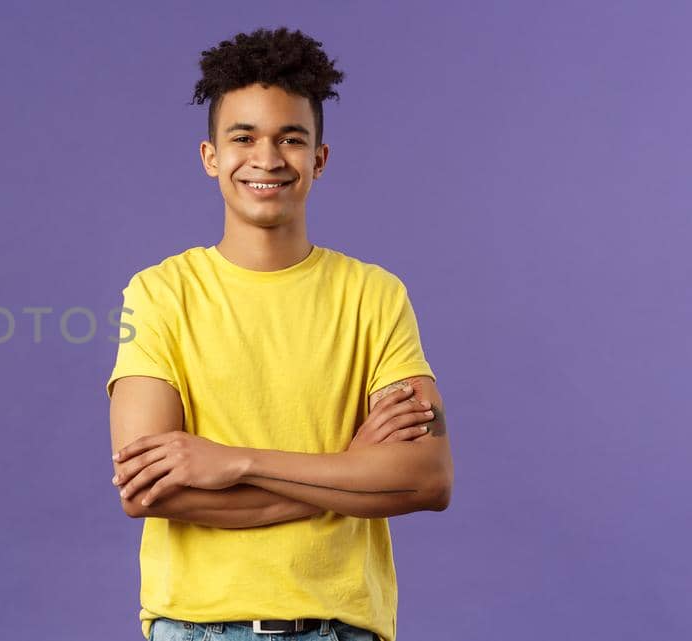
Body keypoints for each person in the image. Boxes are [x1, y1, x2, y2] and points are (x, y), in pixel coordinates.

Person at [105, 27, 452, 641]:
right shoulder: (160, 293)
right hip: (196, 628)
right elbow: (147, 493)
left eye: (291, 139)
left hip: (342, 628)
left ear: (319, 159)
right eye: (243, 138)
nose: (267, 159)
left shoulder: (375, 295)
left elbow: (425, 479)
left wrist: (234, 462)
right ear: (211, 156)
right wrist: (350, 470)